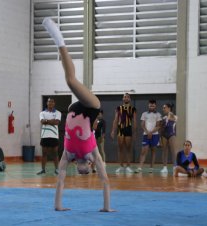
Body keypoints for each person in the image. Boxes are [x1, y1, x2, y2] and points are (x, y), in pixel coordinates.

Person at [42, 17, 115, 212]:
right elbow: (105, 181)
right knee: (71, 80)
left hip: (75, 108)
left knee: (70, 80)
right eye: (87, 172)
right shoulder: (93, 154)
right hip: (91, 107)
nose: (83, 172)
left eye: (80, 173)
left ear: (77, 167)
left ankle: (60, 41)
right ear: (90, 166)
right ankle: (60, 40)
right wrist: (107, 207)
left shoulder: (68, 154)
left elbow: (60, 181)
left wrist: (58, 206)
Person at [110, 93, 137, 173]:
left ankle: (128, 166)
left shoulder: (133, 109)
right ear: (123, 99)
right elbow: (115, 120)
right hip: (120, 129)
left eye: (127, 97)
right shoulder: (119, 108)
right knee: (120, 148)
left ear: (129, 99)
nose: (126, 98)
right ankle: (121, 166)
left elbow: (135, 121)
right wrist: (113, 131)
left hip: (128, 129)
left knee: (128, 148)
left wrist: (135, 132)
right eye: (124, 97)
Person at [135, 99, 162, 173]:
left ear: (155, 106)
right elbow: (142, 124)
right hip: (146, 135)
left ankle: (151, 168)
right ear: (148, 105)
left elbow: (158, 126)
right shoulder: (144, 114)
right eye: (150, 105)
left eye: (153, 105)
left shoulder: (158, 115)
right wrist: (147, 132)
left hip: (155, 135)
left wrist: (151, 132)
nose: (152, 106)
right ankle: (140, 167)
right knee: (143, 151)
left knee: (153, 151)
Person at [37, 97, 61, 175]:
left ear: (54, 103)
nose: (50, 103)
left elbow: (57, 122)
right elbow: (42, 121)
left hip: (54, 136)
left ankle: (57, 169)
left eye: (52, 102)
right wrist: (51, 121)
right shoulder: (42, 113)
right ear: (47, 103)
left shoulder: (58, 113)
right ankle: (43, 169)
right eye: (49, 101)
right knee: (44, 153)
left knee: (55, 153)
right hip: (44, 136)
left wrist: (46, 121)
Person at [160, 103, 177, 173]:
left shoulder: (174, 116)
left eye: (164, 108)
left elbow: (171, 116)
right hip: (164, 135)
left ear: (169, 108)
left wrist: (169, 113)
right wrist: (160, 137)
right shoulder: (163, 118)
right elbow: (161, 128)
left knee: (173, 151)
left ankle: (175, 166)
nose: (163, 109)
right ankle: (164, 167)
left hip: (171, 134)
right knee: (164, 151)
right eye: (163, 108)